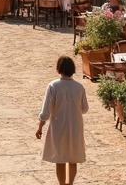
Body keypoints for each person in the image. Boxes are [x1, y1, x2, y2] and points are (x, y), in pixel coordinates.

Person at [36, 56, 88, 185]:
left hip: (58, 127)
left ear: (58, 69)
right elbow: (85, 109)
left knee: (60, 158)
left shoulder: (53, 86)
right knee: (72, 157)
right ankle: (70, 183)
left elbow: (45, 112)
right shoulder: (79, 87)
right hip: (75, 126)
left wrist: (40, 127)